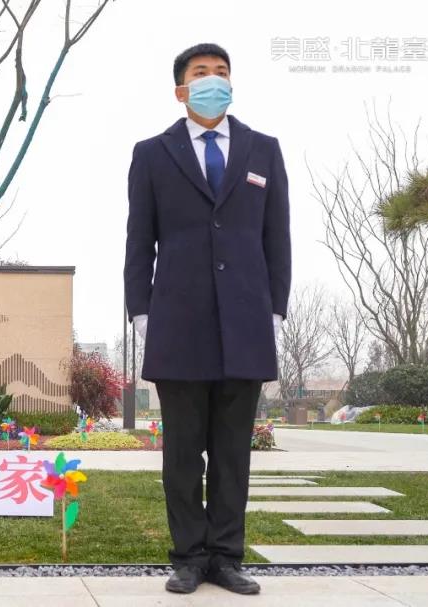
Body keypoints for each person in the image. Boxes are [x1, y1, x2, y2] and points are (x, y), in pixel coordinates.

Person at [123, 42, 291, 595]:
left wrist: (275, 308)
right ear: (181, 89)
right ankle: (189, 558)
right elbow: (139, 240)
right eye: (201, 73)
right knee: (182, 453)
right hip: (177, 323)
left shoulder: (264, 151)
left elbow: (277, 237)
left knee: (232, 453)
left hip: (246, 323)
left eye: (222, 72)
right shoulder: (152, 154)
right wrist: (142, 311)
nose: (213, 80)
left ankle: (226, 556)